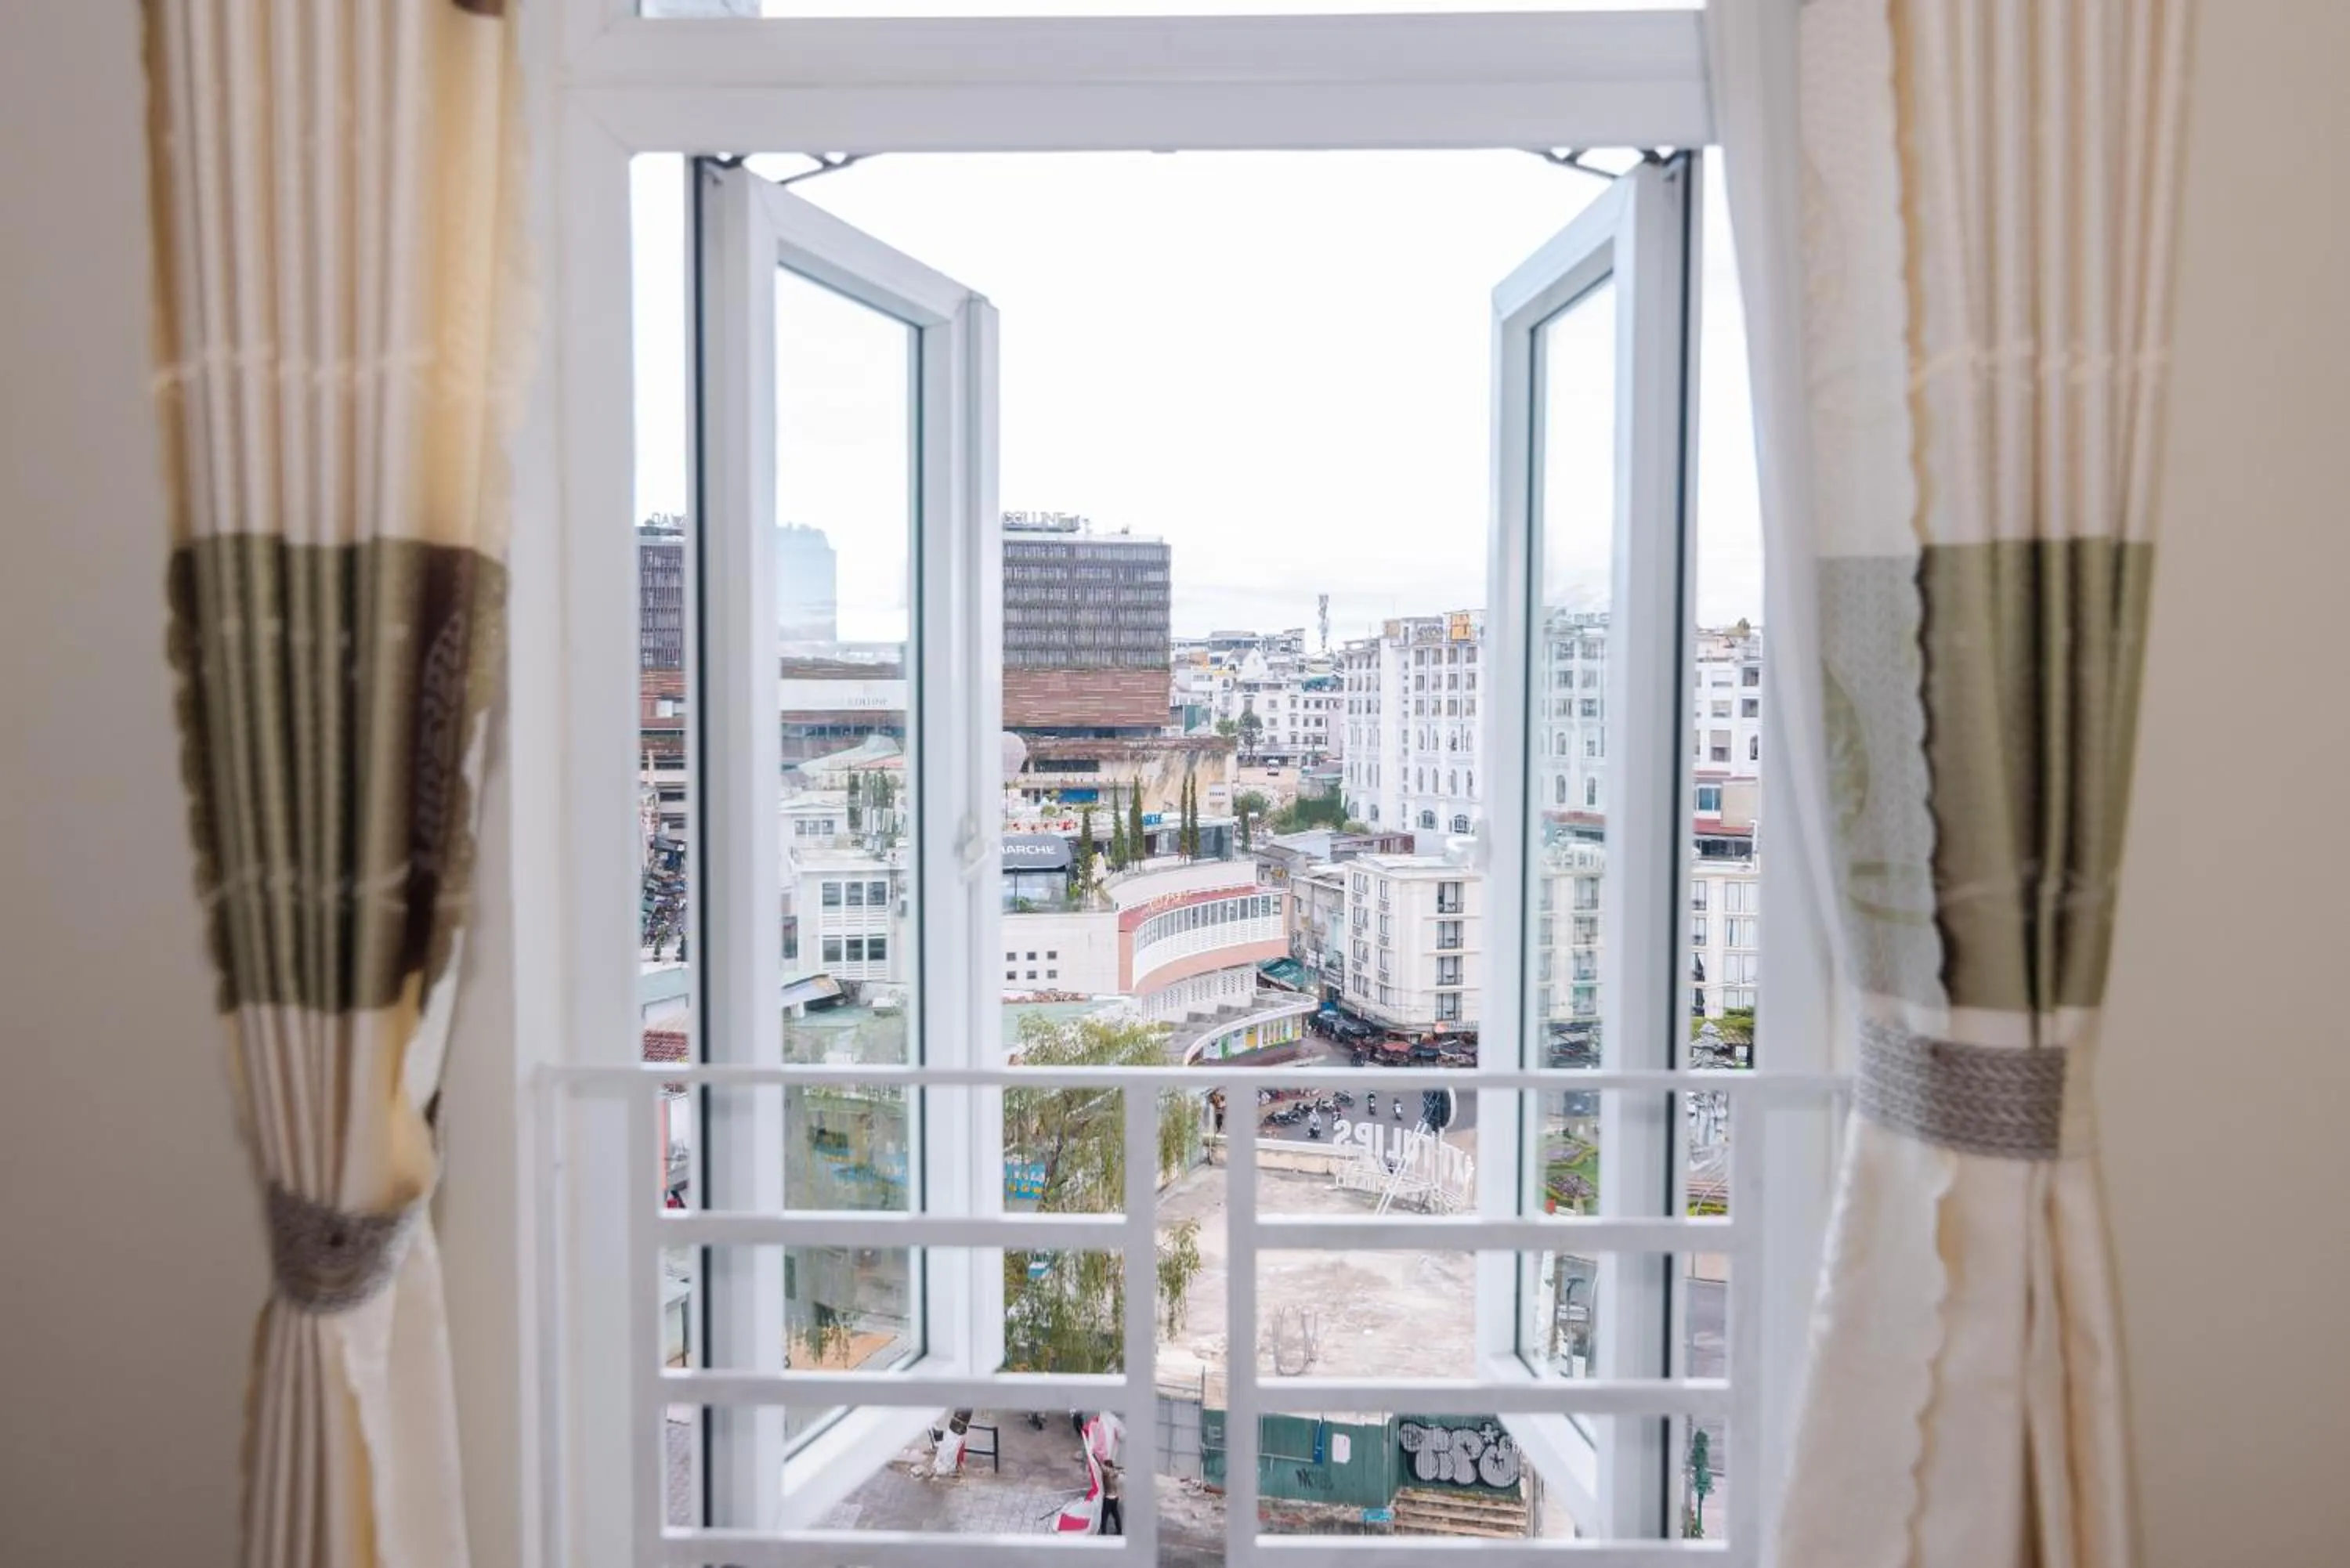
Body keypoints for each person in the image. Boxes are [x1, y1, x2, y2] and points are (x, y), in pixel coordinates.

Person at [1098, 1458, 1123, 1536]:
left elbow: (1102, 1467)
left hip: (1108, 1498)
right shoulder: (1115, 1472)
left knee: (1104, 1517)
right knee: (1116, 1515)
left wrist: (1095, 1458)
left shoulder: (1107, 1472)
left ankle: (1103, 1533)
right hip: (1115, 1498)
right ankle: (1119, 1531)